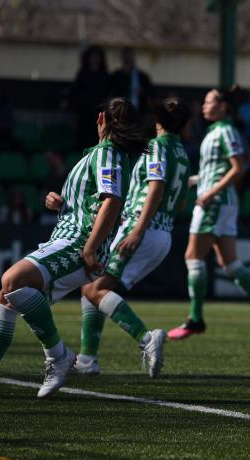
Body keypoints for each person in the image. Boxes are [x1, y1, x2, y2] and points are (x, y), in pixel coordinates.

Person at [0, 97, 144, 399]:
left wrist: (89, 249)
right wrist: (58, 201)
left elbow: (112, 201)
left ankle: (58, 355)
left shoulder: (108, 152)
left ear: (101, 119)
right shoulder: (101, 155)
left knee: (11, 280)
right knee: (6, 297)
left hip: (77, 242)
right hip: (66, 237)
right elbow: (95, 201)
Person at [73, 97, 192, 377]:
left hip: (141, 228)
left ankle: (146, 338)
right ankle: (87, 359)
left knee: (94, 288)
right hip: (163, 231)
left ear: (157, 120)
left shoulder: (156, 146)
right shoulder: (183, 153)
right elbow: (182, 201)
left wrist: (137, 229)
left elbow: (156, 187)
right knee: (92, 285)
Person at [166, 86, 250, 342]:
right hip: (221, 200)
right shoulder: (215, 131)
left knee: (193, 257)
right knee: (230, 263)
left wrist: (210, 193)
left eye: (208, 102)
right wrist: (194, 181)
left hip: (215, 202)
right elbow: (217, 170)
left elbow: (238, 168)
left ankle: (195, 319)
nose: (204, 106)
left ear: (224, 106)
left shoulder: (226, 131)